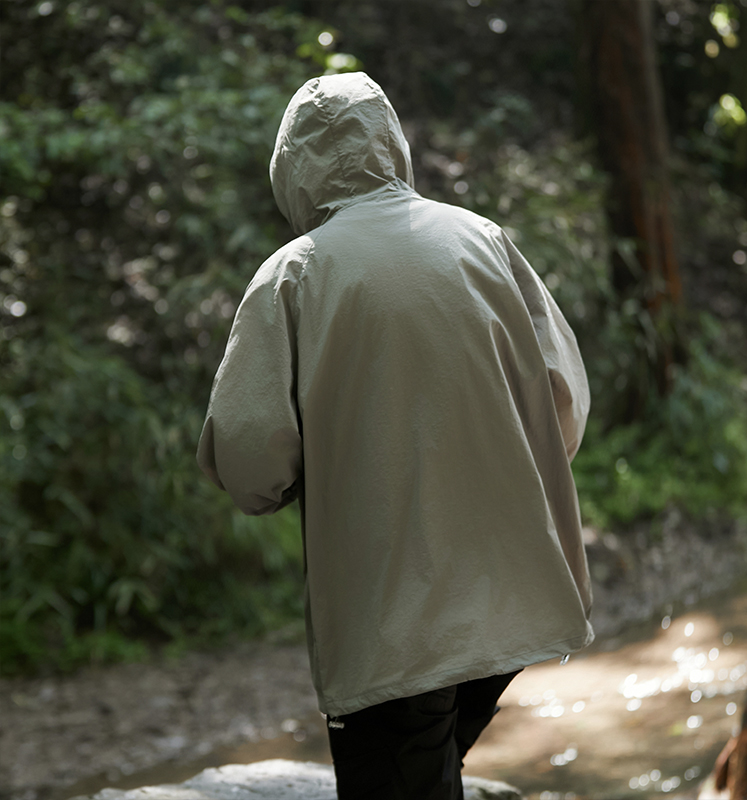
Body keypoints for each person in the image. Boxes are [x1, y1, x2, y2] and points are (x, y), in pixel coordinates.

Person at [197, 72, 594, 800]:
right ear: (392, 144)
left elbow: (251, 457)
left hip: (392, 623)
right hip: (509, 598)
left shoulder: (295, 275)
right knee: (432, 762)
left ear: (292, 167)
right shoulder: (485, 242)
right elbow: (563, 406)